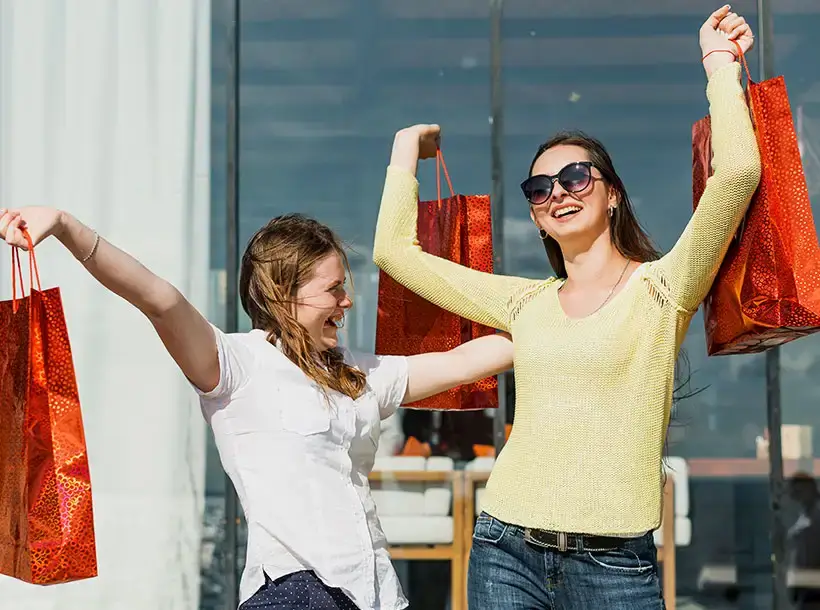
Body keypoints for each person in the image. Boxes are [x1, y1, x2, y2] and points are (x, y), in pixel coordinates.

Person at [372, 6, 760, 609]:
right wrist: (403, 153)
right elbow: (395, 253)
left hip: (615, 567)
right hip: (506, 550)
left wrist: (719, 62)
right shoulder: (526, 301)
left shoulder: (662, 289)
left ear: (612, 196)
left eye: (577, 177)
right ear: (535, 217)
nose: (558, 193)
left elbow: (737, 171)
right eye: (540, 188)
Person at [0, 208, 514, 610]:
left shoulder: (361, 374)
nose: (347, 302)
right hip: (295, 590)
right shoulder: (237, 366)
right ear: (285, 296)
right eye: (334, 289)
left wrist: (566, 312)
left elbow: (465, 359)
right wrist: (66, 226)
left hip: (376, 590)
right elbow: (158, 298)